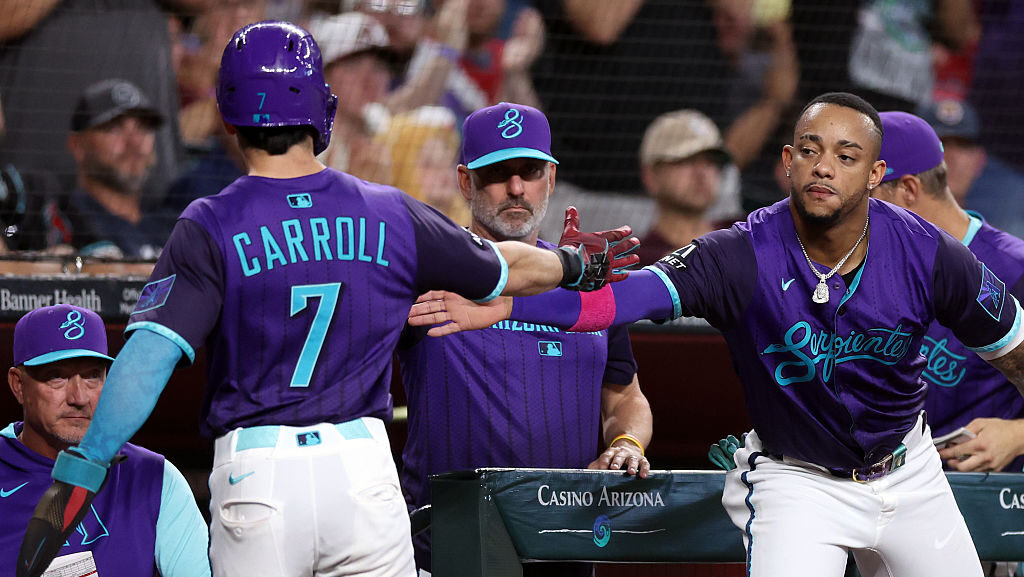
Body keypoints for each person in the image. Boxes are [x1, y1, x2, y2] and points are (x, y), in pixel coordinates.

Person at [14, 20, 637, 577]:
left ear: (229, 118)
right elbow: (505, 266)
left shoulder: (209, 222)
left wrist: (81, 468)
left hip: (259, 475)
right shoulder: (389, 211)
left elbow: (147, 359)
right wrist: (575, 265)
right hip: (361, 474)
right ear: (323, 109)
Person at [409, 92, 1024, 577]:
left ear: (876, 173)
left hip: (908, 470)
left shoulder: (932, 256)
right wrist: (513, 303)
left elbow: (1015, 353)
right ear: (786, 162)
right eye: (809, 150)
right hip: (799, 480)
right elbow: (614, 301)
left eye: (846, 155)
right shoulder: (738, 254)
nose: (823, 168)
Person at [396, 101, 652, 575]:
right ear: (465, 182)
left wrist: (627, 444)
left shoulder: (589, 286)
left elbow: (626, 398)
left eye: (530, 171)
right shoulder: (426, 275)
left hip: (567, 545)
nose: (517, 188)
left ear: (551, 179)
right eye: (498, 173)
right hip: (449, 547)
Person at [2, 304, 209, 577]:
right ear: (19, 385)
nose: (79, 398)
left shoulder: (154, 477)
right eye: (56, 377)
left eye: (92, 377)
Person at [870, 111, 1024, 473]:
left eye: (868, 191)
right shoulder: (867, 262)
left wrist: (1017, 435)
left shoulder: (1014, 270)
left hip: (983, 496)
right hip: (888, 487)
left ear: (908, 190)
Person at [64, 79, 171, 259]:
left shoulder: (173, 225)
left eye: (143, 129)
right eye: (114, 129)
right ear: (77, 146)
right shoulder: (67, 223)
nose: (134, 143)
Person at [635, 109, 733, 266]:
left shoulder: (746, 233)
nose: (701, 173)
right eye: (686, 160)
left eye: (710, 161)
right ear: (650, 176)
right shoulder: (639, 263)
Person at [916, 99, 1024, 240]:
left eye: (962, 146)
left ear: (979, 161)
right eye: (938, 143)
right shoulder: (885, 227)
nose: (950, 157)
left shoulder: (997, 249)